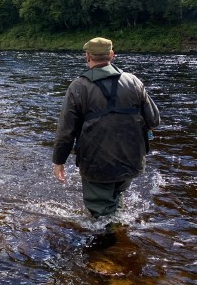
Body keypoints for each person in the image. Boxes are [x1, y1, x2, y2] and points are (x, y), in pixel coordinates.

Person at [52, 37, 160, 219]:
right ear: (111, 55)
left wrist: (59, 161)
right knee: (116, 199)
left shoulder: (78, 87)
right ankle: (122, 234)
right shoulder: (134, 81)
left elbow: (66, 132)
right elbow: (154, 119)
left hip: (97, 164)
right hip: (131, 159)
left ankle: (111, 240)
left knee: (101, 215)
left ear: (87, 57)